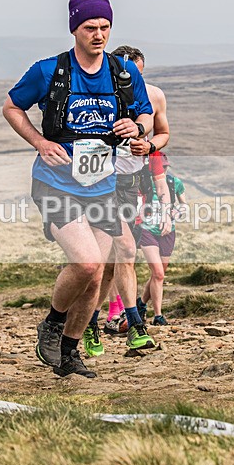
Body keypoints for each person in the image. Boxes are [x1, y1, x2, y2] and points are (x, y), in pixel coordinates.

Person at [2, 0, 154, 377]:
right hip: (55, 182)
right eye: (90, 27)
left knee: (97, 274)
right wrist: (39, 141)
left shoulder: (124, 72)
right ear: (75, 29)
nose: (99, 34)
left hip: (101, 184)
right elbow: (11, 106)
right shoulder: (48, 71)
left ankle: (69, 353)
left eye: (105, 27)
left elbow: (146, 115)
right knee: (86, 262)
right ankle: (52, 324)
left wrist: (136, 127)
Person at [87, 45, 171, 356]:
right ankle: (136, 325)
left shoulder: (154, 95)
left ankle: (90, 322)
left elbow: (163, 134)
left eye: (136, 74)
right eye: (125, 74)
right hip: (101, 182)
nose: (130, 80)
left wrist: (149, 148)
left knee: (111, 265)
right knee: (124, 250)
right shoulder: (99, 95)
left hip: (131, 184)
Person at [138, 151, 184, 326]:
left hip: (167, 231)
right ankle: (158, 315)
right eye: (160, 167)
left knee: (159, 274)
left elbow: (183, 205)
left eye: (165, 167)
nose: (163, 170)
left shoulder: (174, 183)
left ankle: (141, 304)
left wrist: (177, 212)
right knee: (158, 273)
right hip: (146, 229)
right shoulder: (143, 181)